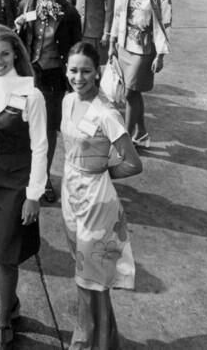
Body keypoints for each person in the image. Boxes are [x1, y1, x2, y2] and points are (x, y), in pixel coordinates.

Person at [62, 42, 142, 350]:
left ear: (97, 73)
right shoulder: (68, 101)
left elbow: (133, 163)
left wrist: (100, 174)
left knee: (88, 277)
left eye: (85, 71)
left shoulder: (106, 113)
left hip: (96, 202)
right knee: (88, 275)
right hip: (71, 196)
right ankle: (105, 340)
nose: (78, 77)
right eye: (73, 70)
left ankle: (85, 343)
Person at [0, 25, 47, 350]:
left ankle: (4, 320)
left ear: (16, 52)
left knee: (6, 256)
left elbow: (41, 146)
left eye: (4, 53)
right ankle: (10, 304)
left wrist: (33, 195)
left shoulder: (32, 94)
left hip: (16, 185)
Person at [16, 0, 81, 202]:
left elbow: (76, 48)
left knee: (49, 130)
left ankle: (44, 179)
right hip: (30, 75)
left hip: (54, 75)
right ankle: (29, 173)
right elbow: (20, 42)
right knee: (25, 125)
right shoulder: (27, 5)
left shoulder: (70, 12)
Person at [108, 0, 172, 148]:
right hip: (124, 45)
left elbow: (166, 22)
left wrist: (160, 55)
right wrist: (112, 43)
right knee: (133, 93)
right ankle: (142, 133)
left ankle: (125, 140)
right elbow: (117, 14)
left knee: (129, 93)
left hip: (144, 49)